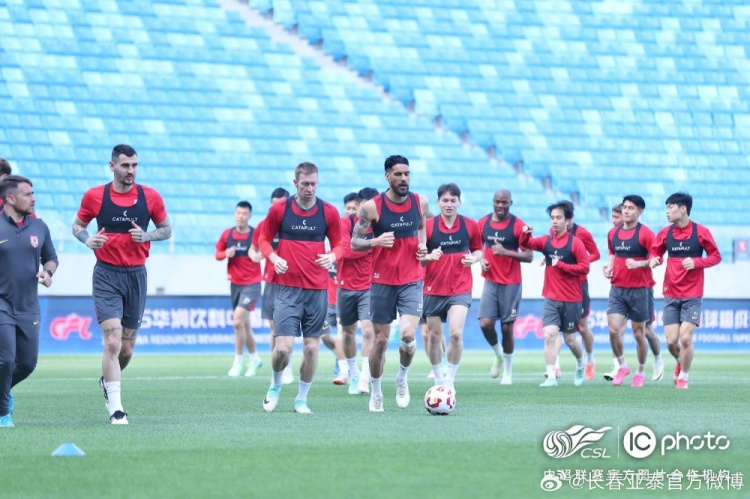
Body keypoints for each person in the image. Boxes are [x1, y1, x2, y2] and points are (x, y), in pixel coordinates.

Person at [73, 144, 172, 424]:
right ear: (112, 166)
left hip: (136, 276)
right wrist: (87, 240)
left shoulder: (150, 196)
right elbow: (78, 226)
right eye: (126, 165)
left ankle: (107, 381)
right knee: (113, 341)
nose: (131, 170)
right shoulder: (95, 196)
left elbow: (167, 230)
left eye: (134, 165)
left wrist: (148, 236)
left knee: (126, 350)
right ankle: (117, 410)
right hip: (106, 275)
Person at [258, 162, 343, 413]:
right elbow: (263, 239)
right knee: (283, 349)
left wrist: (333, 256)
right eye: (305, 183)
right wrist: (274, 257)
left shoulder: (328, 212)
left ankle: (301, 399)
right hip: (287, 289)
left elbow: (340, 244)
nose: (310, 188)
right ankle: (275, 385)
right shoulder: (279, 210)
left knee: (311, 347)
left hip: (317, 290)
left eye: (313, 183)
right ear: (295, 183)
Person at [351, 155, 429, 412]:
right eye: (398, 174)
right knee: (381, 342)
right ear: (387, 177)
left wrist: (422, 245)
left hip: (412, 279)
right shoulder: (372, 207)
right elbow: (354, 242)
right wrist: (375, 241)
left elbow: (421, 227)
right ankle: (376, 392)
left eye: (407, 173)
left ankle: (402, 378)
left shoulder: (420, 202)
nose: (404, 178)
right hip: (382, 281)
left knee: (407, 335)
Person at [0, 175, 58, 428]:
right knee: (5, 360)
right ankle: (3, 414)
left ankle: (2, 391)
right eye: (28, 194)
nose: (33, 199)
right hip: (2, 304)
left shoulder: (39, 226)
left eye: (33, 193)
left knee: (27, 364)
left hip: (28, 306)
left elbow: (51, 257)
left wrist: (48, 272)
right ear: (10, 198)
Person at [649, 192, 721, 389]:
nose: (667, 211)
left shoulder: (701, 232)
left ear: (683, 209)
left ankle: (684, 377)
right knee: (672, 342)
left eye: (670, 207)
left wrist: (697, 262)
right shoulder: (665, 233)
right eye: (666, 207)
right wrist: (655, 259)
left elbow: (716, 256)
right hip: (670, 293)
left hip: (692, 295)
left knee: (686, 338)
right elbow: (655, 251)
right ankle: (680, 361)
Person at [519, 202, 590, 387]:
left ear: (567, 221)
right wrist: (525, 233)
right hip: (551, 297)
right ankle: (551, 377)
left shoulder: (576, 243)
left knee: (570, 340)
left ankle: (580, 363)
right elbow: (526, 244)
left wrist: (562, 265)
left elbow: (585, 268)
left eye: (559, 218)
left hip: (572, 299)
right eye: (552, 218)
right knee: (549, 335)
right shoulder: (546, 241)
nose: (555, 221)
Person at [421, 183, 483, 392]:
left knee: (456, 334)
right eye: (445, 200)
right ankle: (438, 379)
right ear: (438, 202)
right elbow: (418, 258)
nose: (449, 204)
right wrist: (429, 256)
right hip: (433, 289)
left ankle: (449, 381)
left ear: (459, 202)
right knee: (434, 337)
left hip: (460, 288)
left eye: (453, 200)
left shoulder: (470, 225)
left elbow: (478, 250)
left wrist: (473, 258)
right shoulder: (428, 226)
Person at [477, 189, 533, 385]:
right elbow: (476, 247)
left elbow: (529, 256)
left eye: (504, 202)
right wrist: (481, 260)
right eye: (497, 202)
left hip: (511, 283)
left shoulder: (519, 226)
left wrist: (505, 252)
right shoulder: (482, 223)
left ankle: (507, 372)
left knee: (507, 327)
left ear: (511, 203)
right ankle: (499, 355)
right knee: (485, 324)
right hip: (490, 281)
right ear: (493, 201)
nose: (500, 205)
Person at [603, 204, 664, 382]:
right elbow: (612, 252)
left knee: (643, 332)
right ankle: (621, 366)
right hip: (618, 289)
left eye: (630, 208)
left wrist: (640, 264)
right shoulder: (612, 234)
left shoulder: (645, 233)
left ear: (639, 211)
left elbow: (656, 257)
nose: (626, 211)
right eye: (625, 208)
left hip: (641, 289)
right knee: (614, 329)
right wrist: (609, 268)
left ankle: (650, 365)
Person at [336, 187, 381, 394]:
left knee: (369, 331)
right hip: (345, 286)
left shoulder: (379, 224)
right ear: (359, 205)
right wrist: (374, 245)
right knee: (347, 333)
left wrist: (364, 245)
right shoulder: (345, 223)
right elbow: (346, 251)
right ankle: (354, 373)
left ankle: (364, 377)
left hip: (370, 286)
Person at [215, 201, 264, 377]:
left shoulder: (255, 235)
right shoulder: (227, 234)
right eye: (238, 213)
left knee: (237, 322)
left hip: (252, 284)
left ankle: (238, 362)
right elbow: (217, 254)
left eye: (244, 214)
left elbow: (264, 250)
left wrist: (259, 255)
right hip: (235, 284)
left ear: (249, 216)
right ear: (235, 214)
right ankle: (255, 359)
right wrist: (225, 254)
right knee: (244, 324)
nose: (241, 216)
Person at [253, 188, 294, 385]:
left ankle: (289, 367)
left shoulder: (294, 225)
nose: (277, 208)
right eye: (274, 205)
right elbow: (253, 249)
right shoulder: (263, 225)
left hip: (291, 282)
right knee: (273, 328)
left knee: (286, 328)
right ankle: (277, 368)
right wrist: (255, 256)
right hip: (271, 282)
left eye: (281, 205)